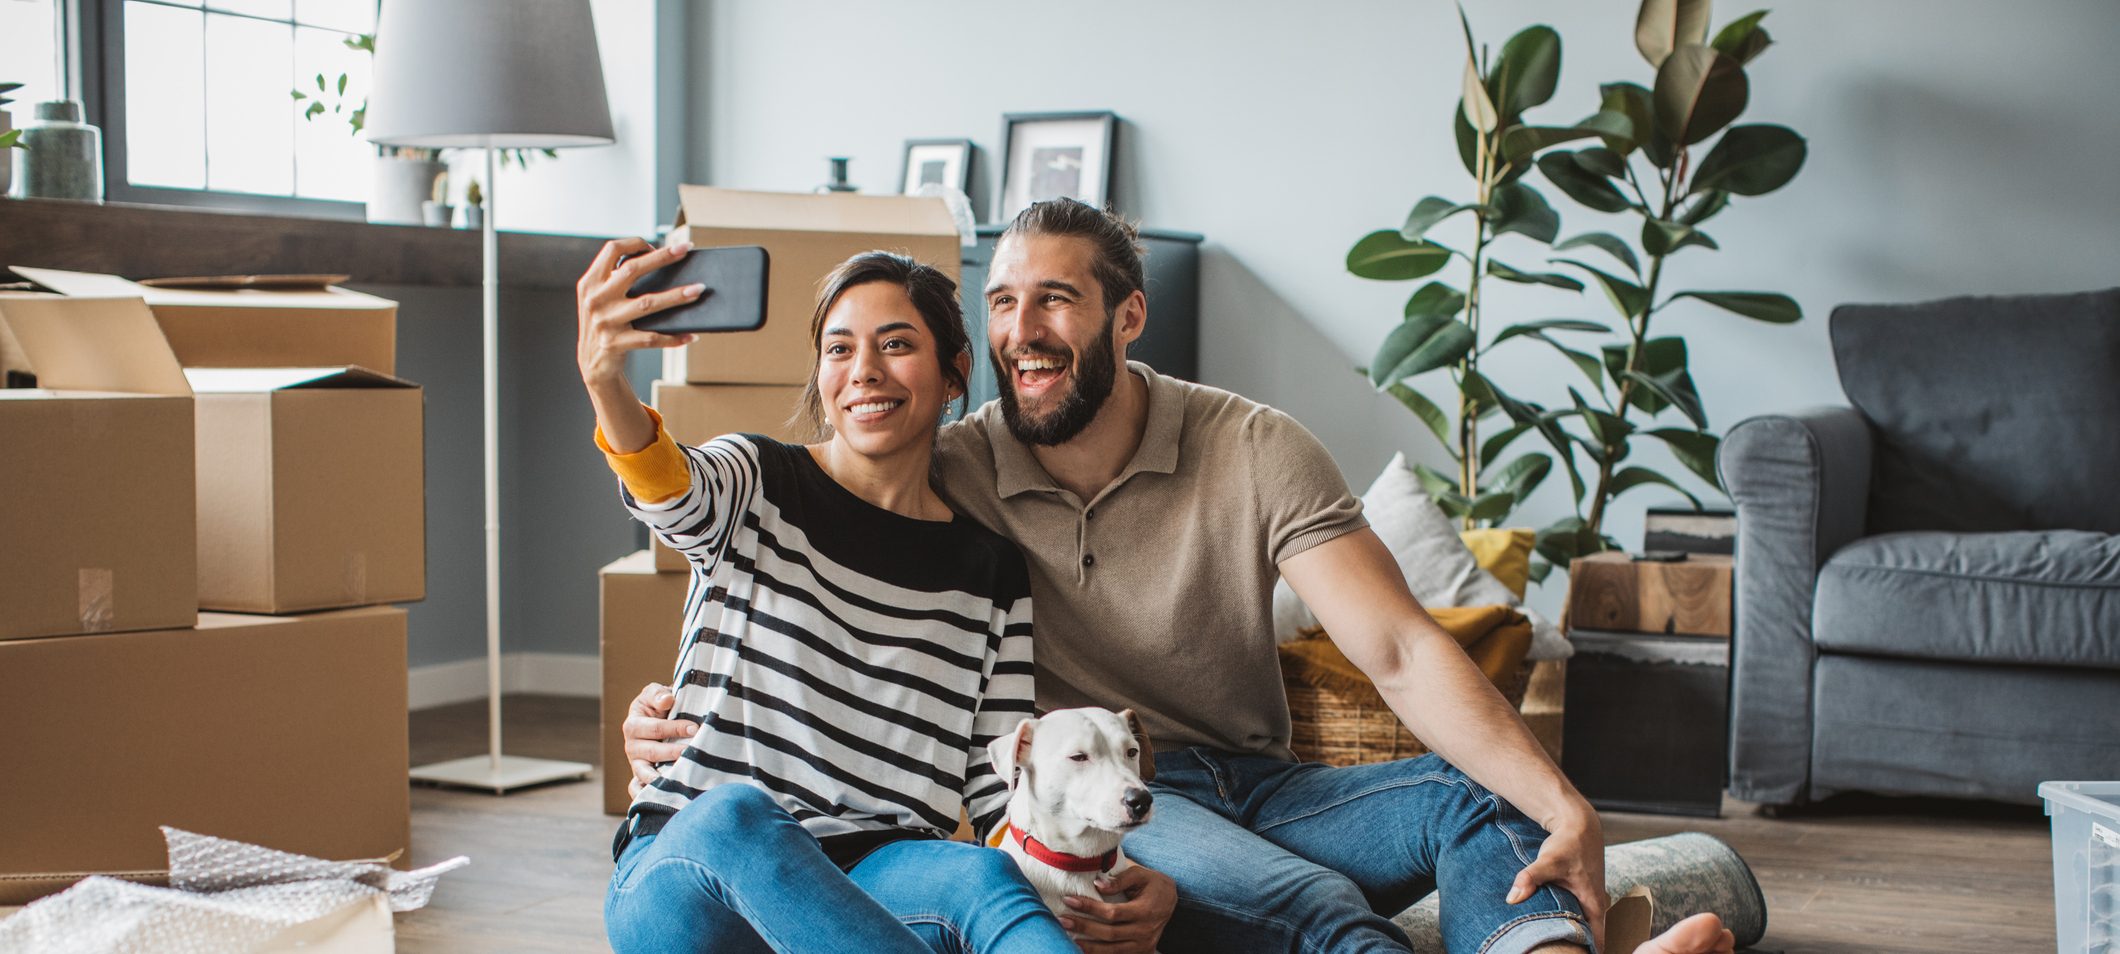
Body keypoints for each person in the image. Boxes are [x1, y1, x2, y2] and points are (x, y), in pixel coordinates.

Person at [622, 200, 1735, 954]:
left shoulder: (1254, 447)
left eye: (1054, 300)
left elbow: (1398, 649)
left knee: (1465, 799)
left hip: (1267, 779)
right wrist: (682, 713)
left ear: (1126, 317)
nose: (1023, 332)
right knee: (1315, 906)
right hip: (1128, 799)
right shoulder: (950, 462)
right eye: (1003, 304)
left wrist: (1563, 802)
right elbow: (799, 542)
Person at [580, 241, 1080, 953]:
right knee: (737, 818)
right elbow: (668, 490)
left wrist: (1075, 875)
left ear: (954, 373)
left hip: (873, 877)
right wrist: (604, 380)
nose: (864, 371)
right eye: (839, 349)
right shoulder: (757, 482)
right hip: (690, 874)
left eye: (897, 344)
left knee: (984, 879)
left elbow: (996, 785)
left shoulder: (990, 571)